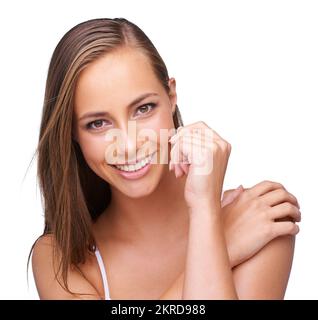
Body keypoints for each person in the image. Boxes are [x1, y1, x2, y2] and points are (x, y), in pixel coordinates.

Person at [28, 17, 301, 300]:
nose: (130, 144)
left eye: (143, 108)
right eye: (98, 123)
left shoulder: (261, 217)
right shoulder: (59, 259)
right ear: (72, 132)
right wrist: (224, 244)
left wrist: (205, 210)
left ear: (171, 96)